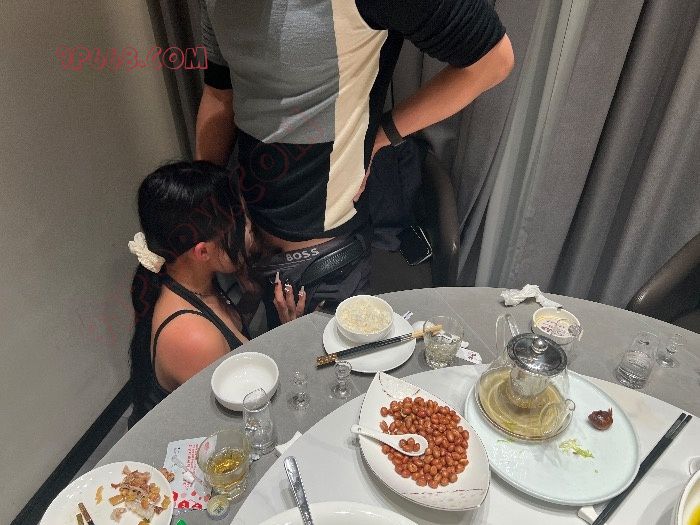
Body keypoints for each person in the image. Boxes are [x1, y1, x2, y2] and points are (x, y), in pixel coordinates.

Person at [195, 0, 515, 326]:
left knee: (328, 358)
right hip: (248, 241)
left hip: (323, 263)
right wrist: (204, 210)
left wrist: (380, 136)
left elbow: (492, 61)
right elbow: (219, 93)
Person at [126, 161, 288, 427]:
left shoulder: (190, 280)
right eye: (241, 223)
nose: (250, 229)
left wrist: (253, 298)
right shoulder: (194, 337)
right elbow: (245, 426)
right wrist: (290, 334)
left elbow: (229, 336)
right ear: (202, 252)